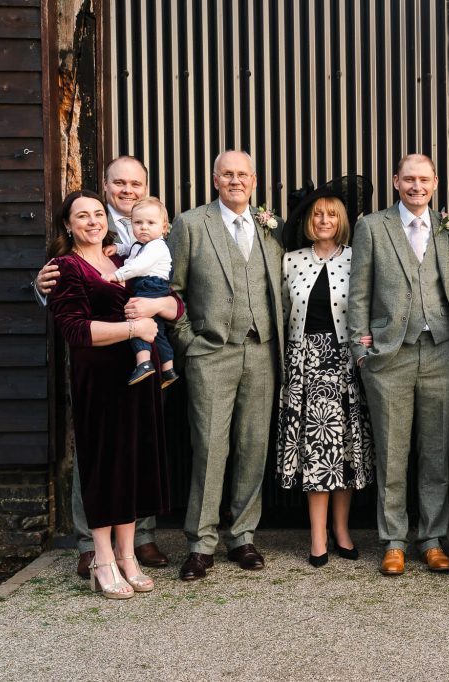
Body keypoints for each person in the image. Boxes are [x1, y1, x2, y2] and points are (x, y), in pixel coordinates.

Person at [34, 155, 169, 577]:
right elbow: (71, 322)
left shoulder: (128, 250)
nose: (93, 221)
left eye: (136, 184)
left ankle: (130, 551)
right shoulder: (68, 263)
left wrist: (165, 305)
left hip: (134, 375)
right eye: (84, 215)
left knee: (131, 461)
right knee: (100, 462)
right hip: (98, 375)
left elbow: (164, 292)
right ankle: (97, 553)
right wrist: (135, 330)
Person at [169, 150, 286, 581]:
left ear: (254, 180)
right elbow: (172, 289)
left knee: (252, 447)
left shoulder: (270, 227)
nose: (235, 180)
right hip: (211, 353)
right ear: (215, 179)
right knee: (209, 448)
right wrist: (188, 343)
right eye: (227, 174)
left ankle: (243, 536)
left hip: (262, 352)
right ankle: (201, 544)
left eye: (243, 174)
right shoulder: (191, 224)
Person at [347, 153, 449, 576]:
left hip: (442, 351)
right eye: (409, 179)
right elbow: (357, 293)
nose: (417, 186)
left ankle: (432, 539)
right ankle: (393, 539)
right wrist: (362, 351)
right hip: (389, 356)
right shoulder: (372, 226)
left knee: (436, 451)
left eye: (424, 179)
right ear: (396, 181)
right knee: (392, 453)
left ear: (435, 182)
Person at [276, 177, 375, 568]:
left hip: (344, 363)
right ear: (308, 220)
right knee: (316, 452)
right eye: (317, 214)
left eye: (331, 214)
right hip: (304, 365)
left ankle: (342, 530)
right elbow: (282, 314)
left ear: (342, 220)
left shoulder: (357, 258)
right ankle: (317, 535)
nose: (324, 220)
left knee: (345, 451)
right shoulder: (290, 260)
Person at [104, 196, 178, 387]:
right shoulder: (141, 244)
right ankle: (168, 369)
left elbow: (138, 266)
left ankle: (144, 362)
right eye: (138, 222)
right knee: (158, 331)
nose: (143, 227)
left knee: (136, 319)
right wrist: (117, 247)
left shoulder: (157, 247)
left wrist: (116, 275)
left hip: (151, 286)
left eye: (150, 223)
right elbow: (130, 248)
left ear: (163, 228)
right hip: (149, 285)